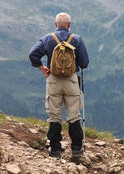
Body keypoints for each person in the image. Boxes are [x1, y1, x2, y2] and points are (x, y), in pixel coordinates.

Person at [29, 12, 89, 158]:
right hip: (71, 81)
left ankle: (55, 149)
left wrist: (42, 67)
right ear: (69, 25)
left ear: (55, 24)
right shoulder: (77, 39)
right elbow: (84, 63)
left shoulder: (48, 39)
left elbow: (33, 54)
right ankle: (76, 149)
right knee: (74, 115)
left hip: (53, 80)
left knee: (54, 115)